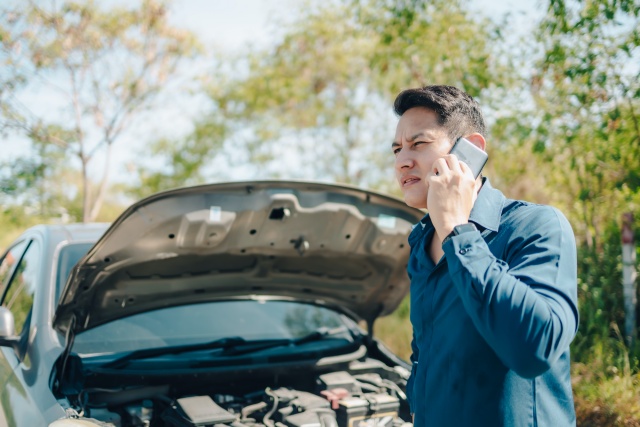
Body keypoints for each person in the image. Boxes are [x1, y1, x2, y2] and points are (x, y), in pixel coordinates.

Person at [392, 85, 578, 426]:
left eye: (419, 144)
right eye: (397, 149)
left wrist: (458, 231)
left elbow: (534, 348)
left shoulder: (535, 225)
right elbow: (426, 352)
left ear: (470, 150)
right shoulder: (421, 244)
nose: (403, 160)